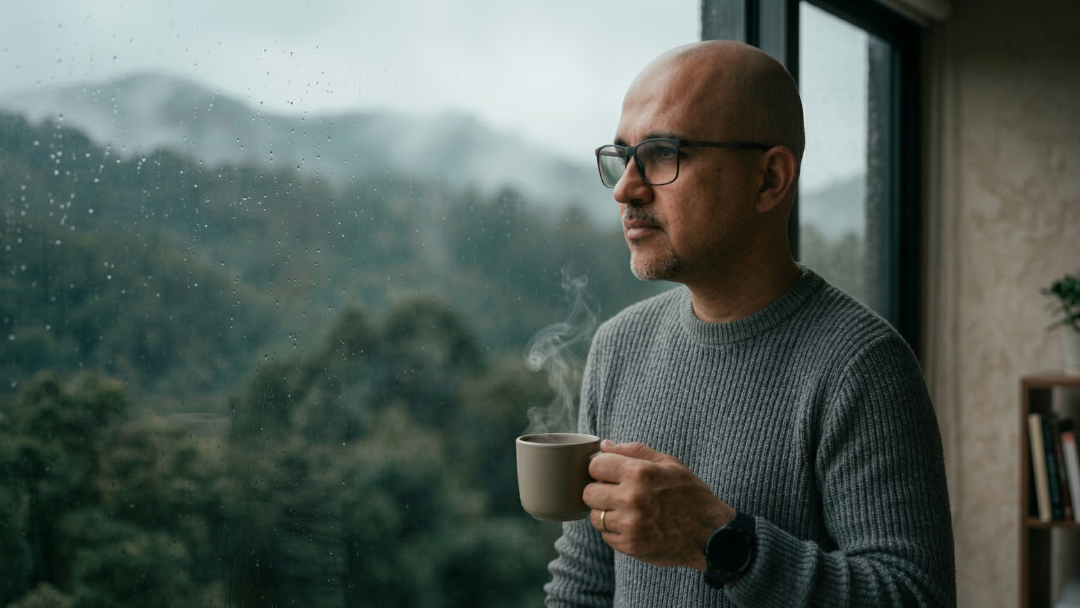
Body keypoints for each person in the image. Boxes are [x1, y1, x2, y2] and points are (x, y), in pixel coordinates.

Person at [543, 40, 955, 607]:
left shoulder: (862, 365)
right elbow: (582, 590)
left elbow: (916, 597)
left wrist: (720, 542)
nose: (625, 188)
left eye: (662, 153)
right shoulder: (619, 346)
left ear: (769, 179)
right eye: (622, 156)